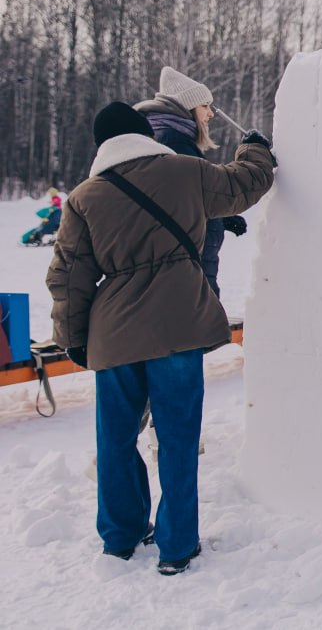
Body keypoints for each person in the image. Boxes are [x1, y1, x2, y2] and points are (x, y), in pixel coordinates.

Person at [46, 102, 275, 575]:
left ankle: (120, 537)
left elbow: (68, 276)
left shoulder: (85, 197)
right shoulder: (185, 172)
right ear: (142, 133)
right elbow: (243, 184)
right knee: (176, 438)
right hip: (177, 326)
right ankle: (176, 546)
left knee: (114, 440)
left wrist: (72, 338)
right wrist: (255, 148)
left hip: (113, 336)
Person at [134, 67, 248, 296]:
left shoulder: (174, 140)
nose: (211, 114)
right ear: (187, 109)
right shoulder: (175, 143)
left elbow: (189, 196)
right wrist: (254, 153)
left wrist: (222, 216)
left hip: (191, 267)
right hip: (189, 271)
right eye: (204, 106)